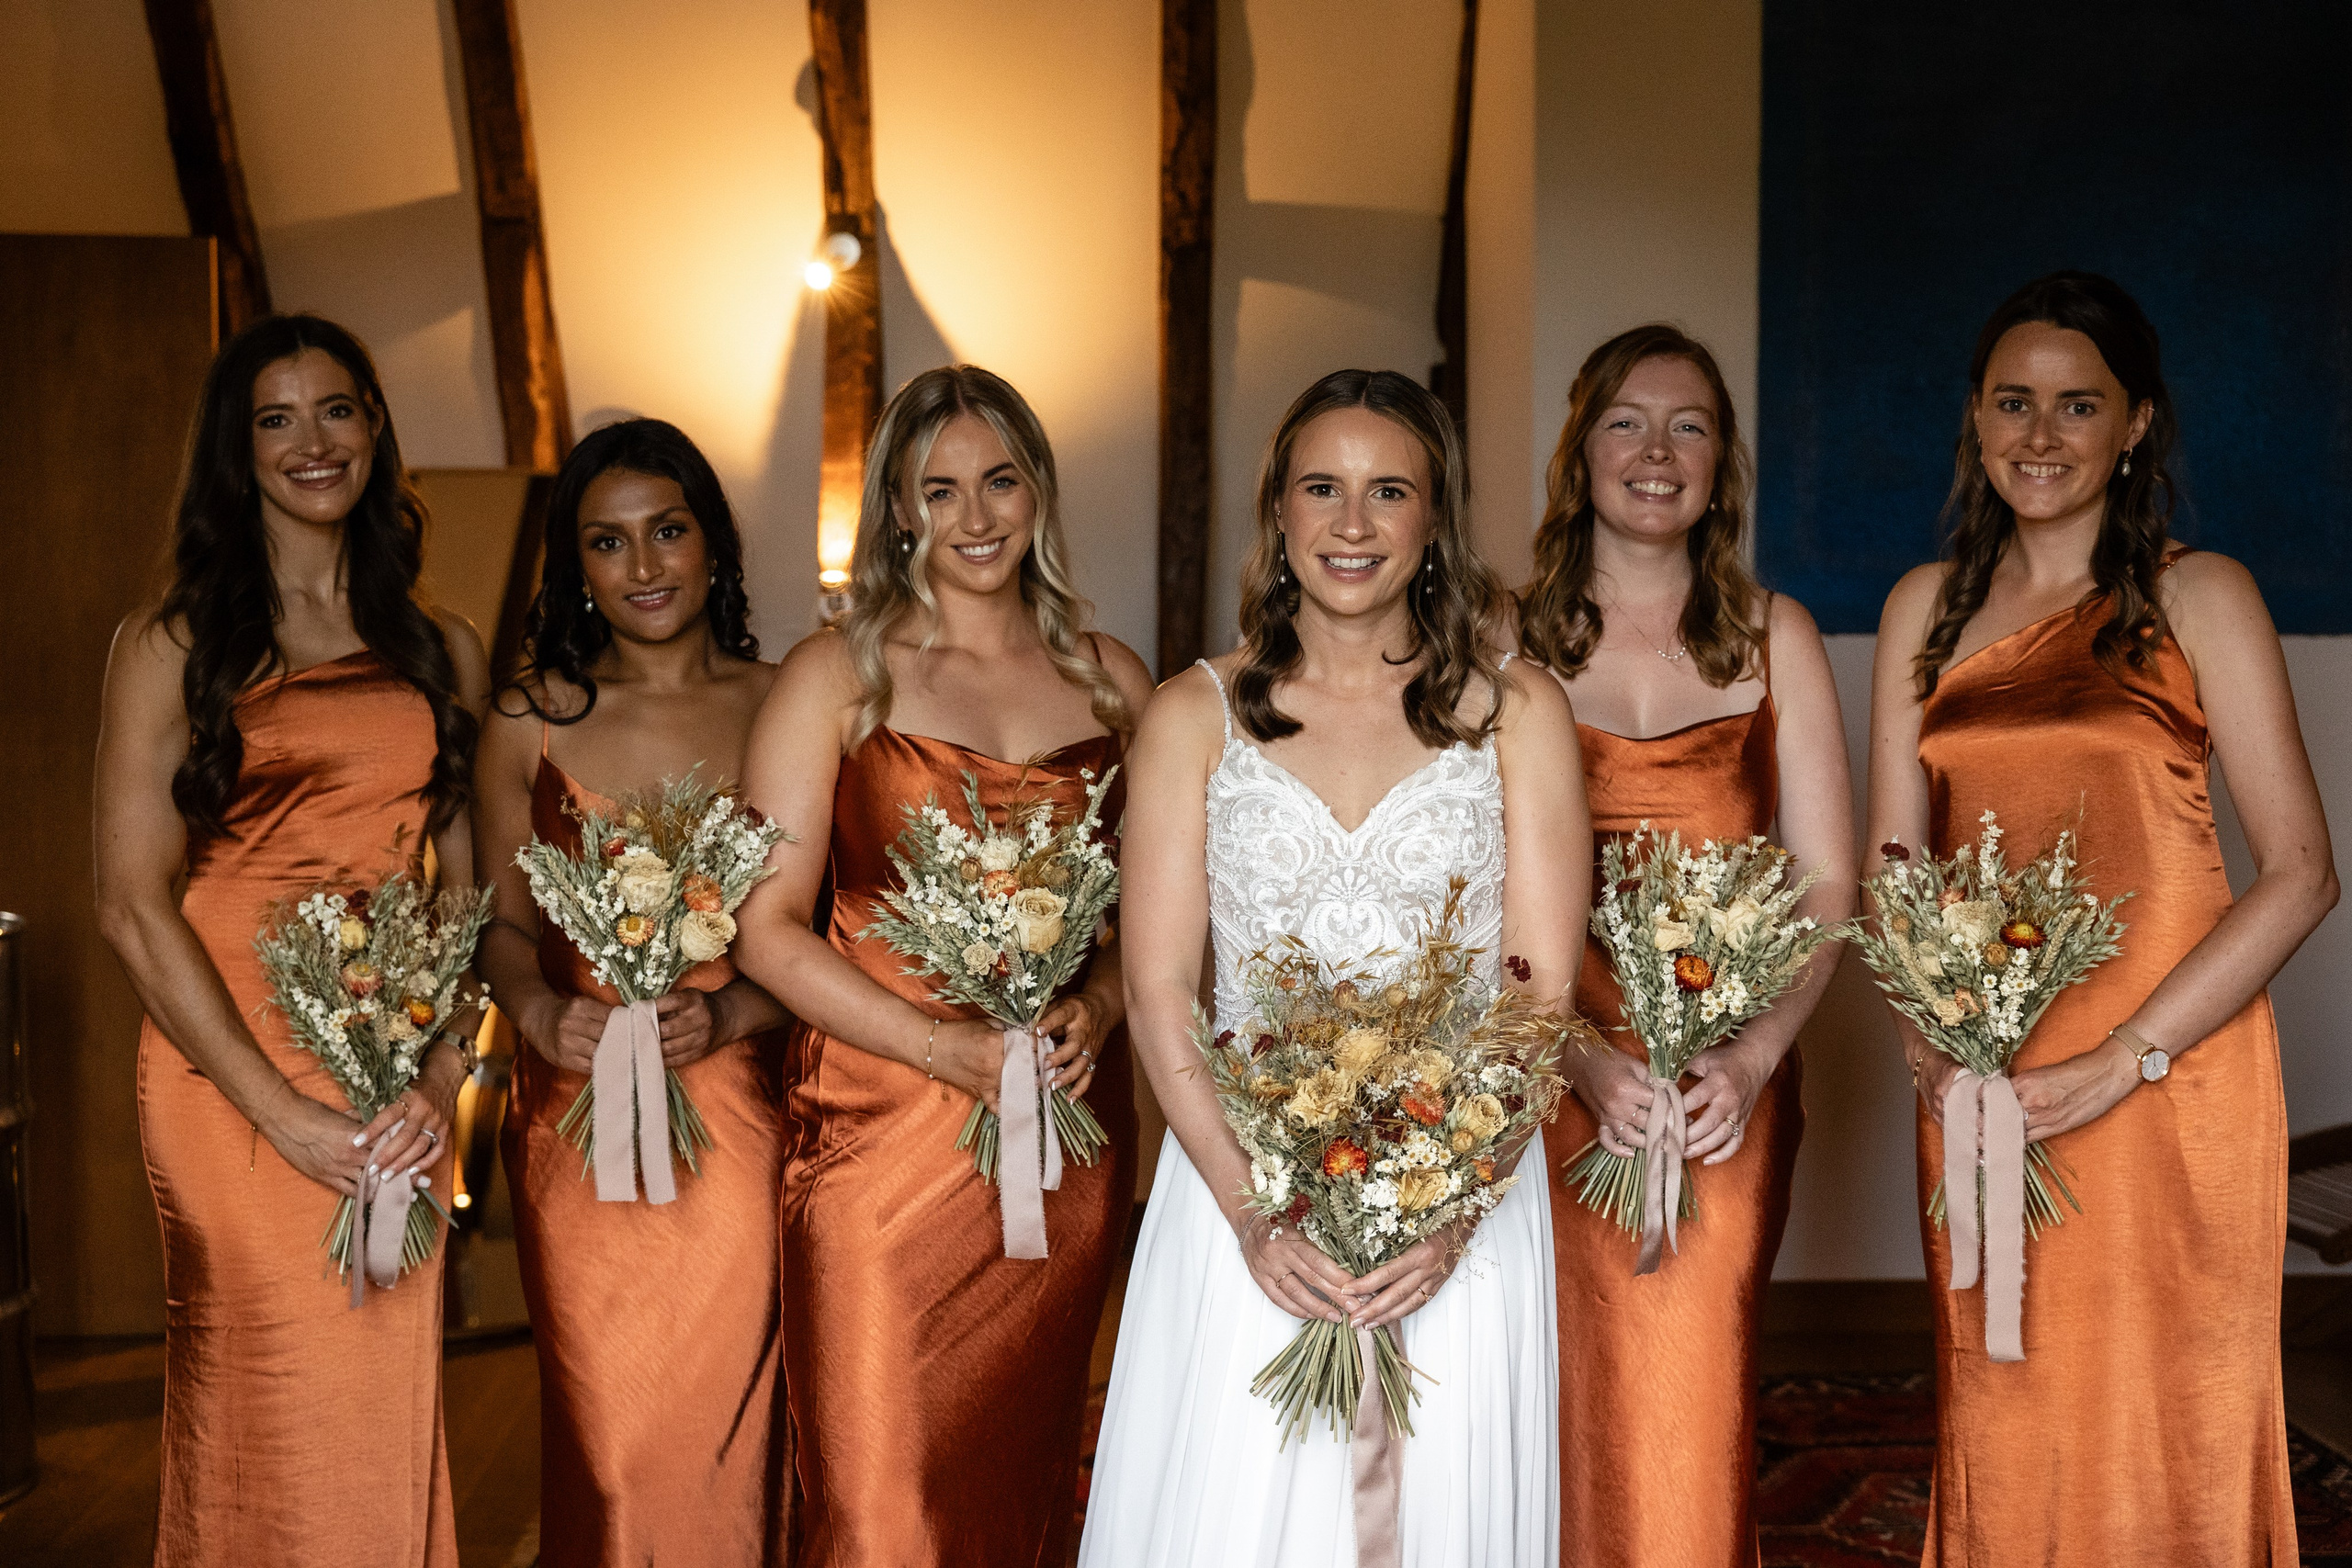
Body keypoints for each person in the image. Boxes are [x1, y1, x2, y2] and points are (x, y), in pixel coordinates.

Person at [1866, 272, 2335, 1565]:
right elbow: (1894, 867)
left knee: (2168, 1400)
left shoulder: (2202, 596)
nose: (2041, 434)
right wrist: (1928, 1040)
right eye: (2013, 402)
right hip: (1986, 1075)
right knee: (2005, 1386)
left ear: (2135, 425)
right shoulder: (1926, 609)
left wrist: (2126, 1055)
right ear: (1974, 418)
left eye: (2079, 405)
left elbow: (2301, 870)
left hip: (2170, 1072)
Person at [1081, 368, 1587, 1566]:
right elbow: (1160, 991)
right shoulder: (1189, 716)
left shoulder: (1520, 712)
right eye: (1322, 487)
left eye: (1388, 490)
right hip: (1245, 1195)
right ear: (1279, 512)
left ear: (1434, 521)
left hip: (1464, 1207)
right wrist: (1256, 1215)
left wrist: (1451, 1210)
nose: (1351, 523)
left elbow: (1540, 994)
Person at [732, 365, 1153, 1566]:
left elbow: (1158, 915)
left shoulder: (1112, 680)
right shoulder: (838, 675)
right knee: (878, 1504)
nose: (976, 516)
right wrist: (941, 1045)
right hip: (880, 1138)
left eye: (1001, 480)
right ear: (898, 509)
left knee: (1018, 1482)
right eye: (941, 488)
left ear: (1039, 492)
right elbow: (765, 929)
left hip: (1063, 1140)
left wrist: (1106, 999)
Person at [94, 314, 488, 1566]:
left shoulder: (442, 647)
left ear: (375, 426)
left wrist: (440, 1078)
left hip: (393, 1067)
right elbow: (129, 901)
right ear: (236, 447)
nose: (312, 440)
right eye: (276, 417)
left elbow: (462, 901)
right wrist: (276, 1107)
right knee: (260, 1382)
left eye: (338, 409)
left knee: (380, 1382)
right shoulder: (169, 645)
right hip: (228, 1073)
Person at [1515, 323, 1854, 1566]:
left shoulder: (1780, 637)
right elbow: (1464, 891)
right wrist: (1579, 1064)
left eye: (1690, 425)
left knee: (1690, 1382)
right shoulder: (1504, 642)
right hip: (1548, 1080)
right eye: (1628, 421)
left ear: (1723, 463)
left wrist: (1758, 1056)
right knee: (1540, 1384)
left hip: (1726, 1089)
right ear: (1580, 448)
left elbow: (1828, 883)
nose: (1657, 451)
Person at [471, 419, 792, 1563]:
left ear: (714, 545)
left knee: (735, 1433)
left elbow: (831, 933)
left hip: (748, 1118)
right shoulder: (527, 721)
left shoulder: (788, 701)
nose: (645, 567)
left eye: (668, 532)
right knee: (608, 1440)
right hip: (573, 1118)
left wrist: (740, 1012)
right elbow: (500, 927)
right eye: (609, 544)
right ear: (577, 567)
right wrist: (537, 1008)